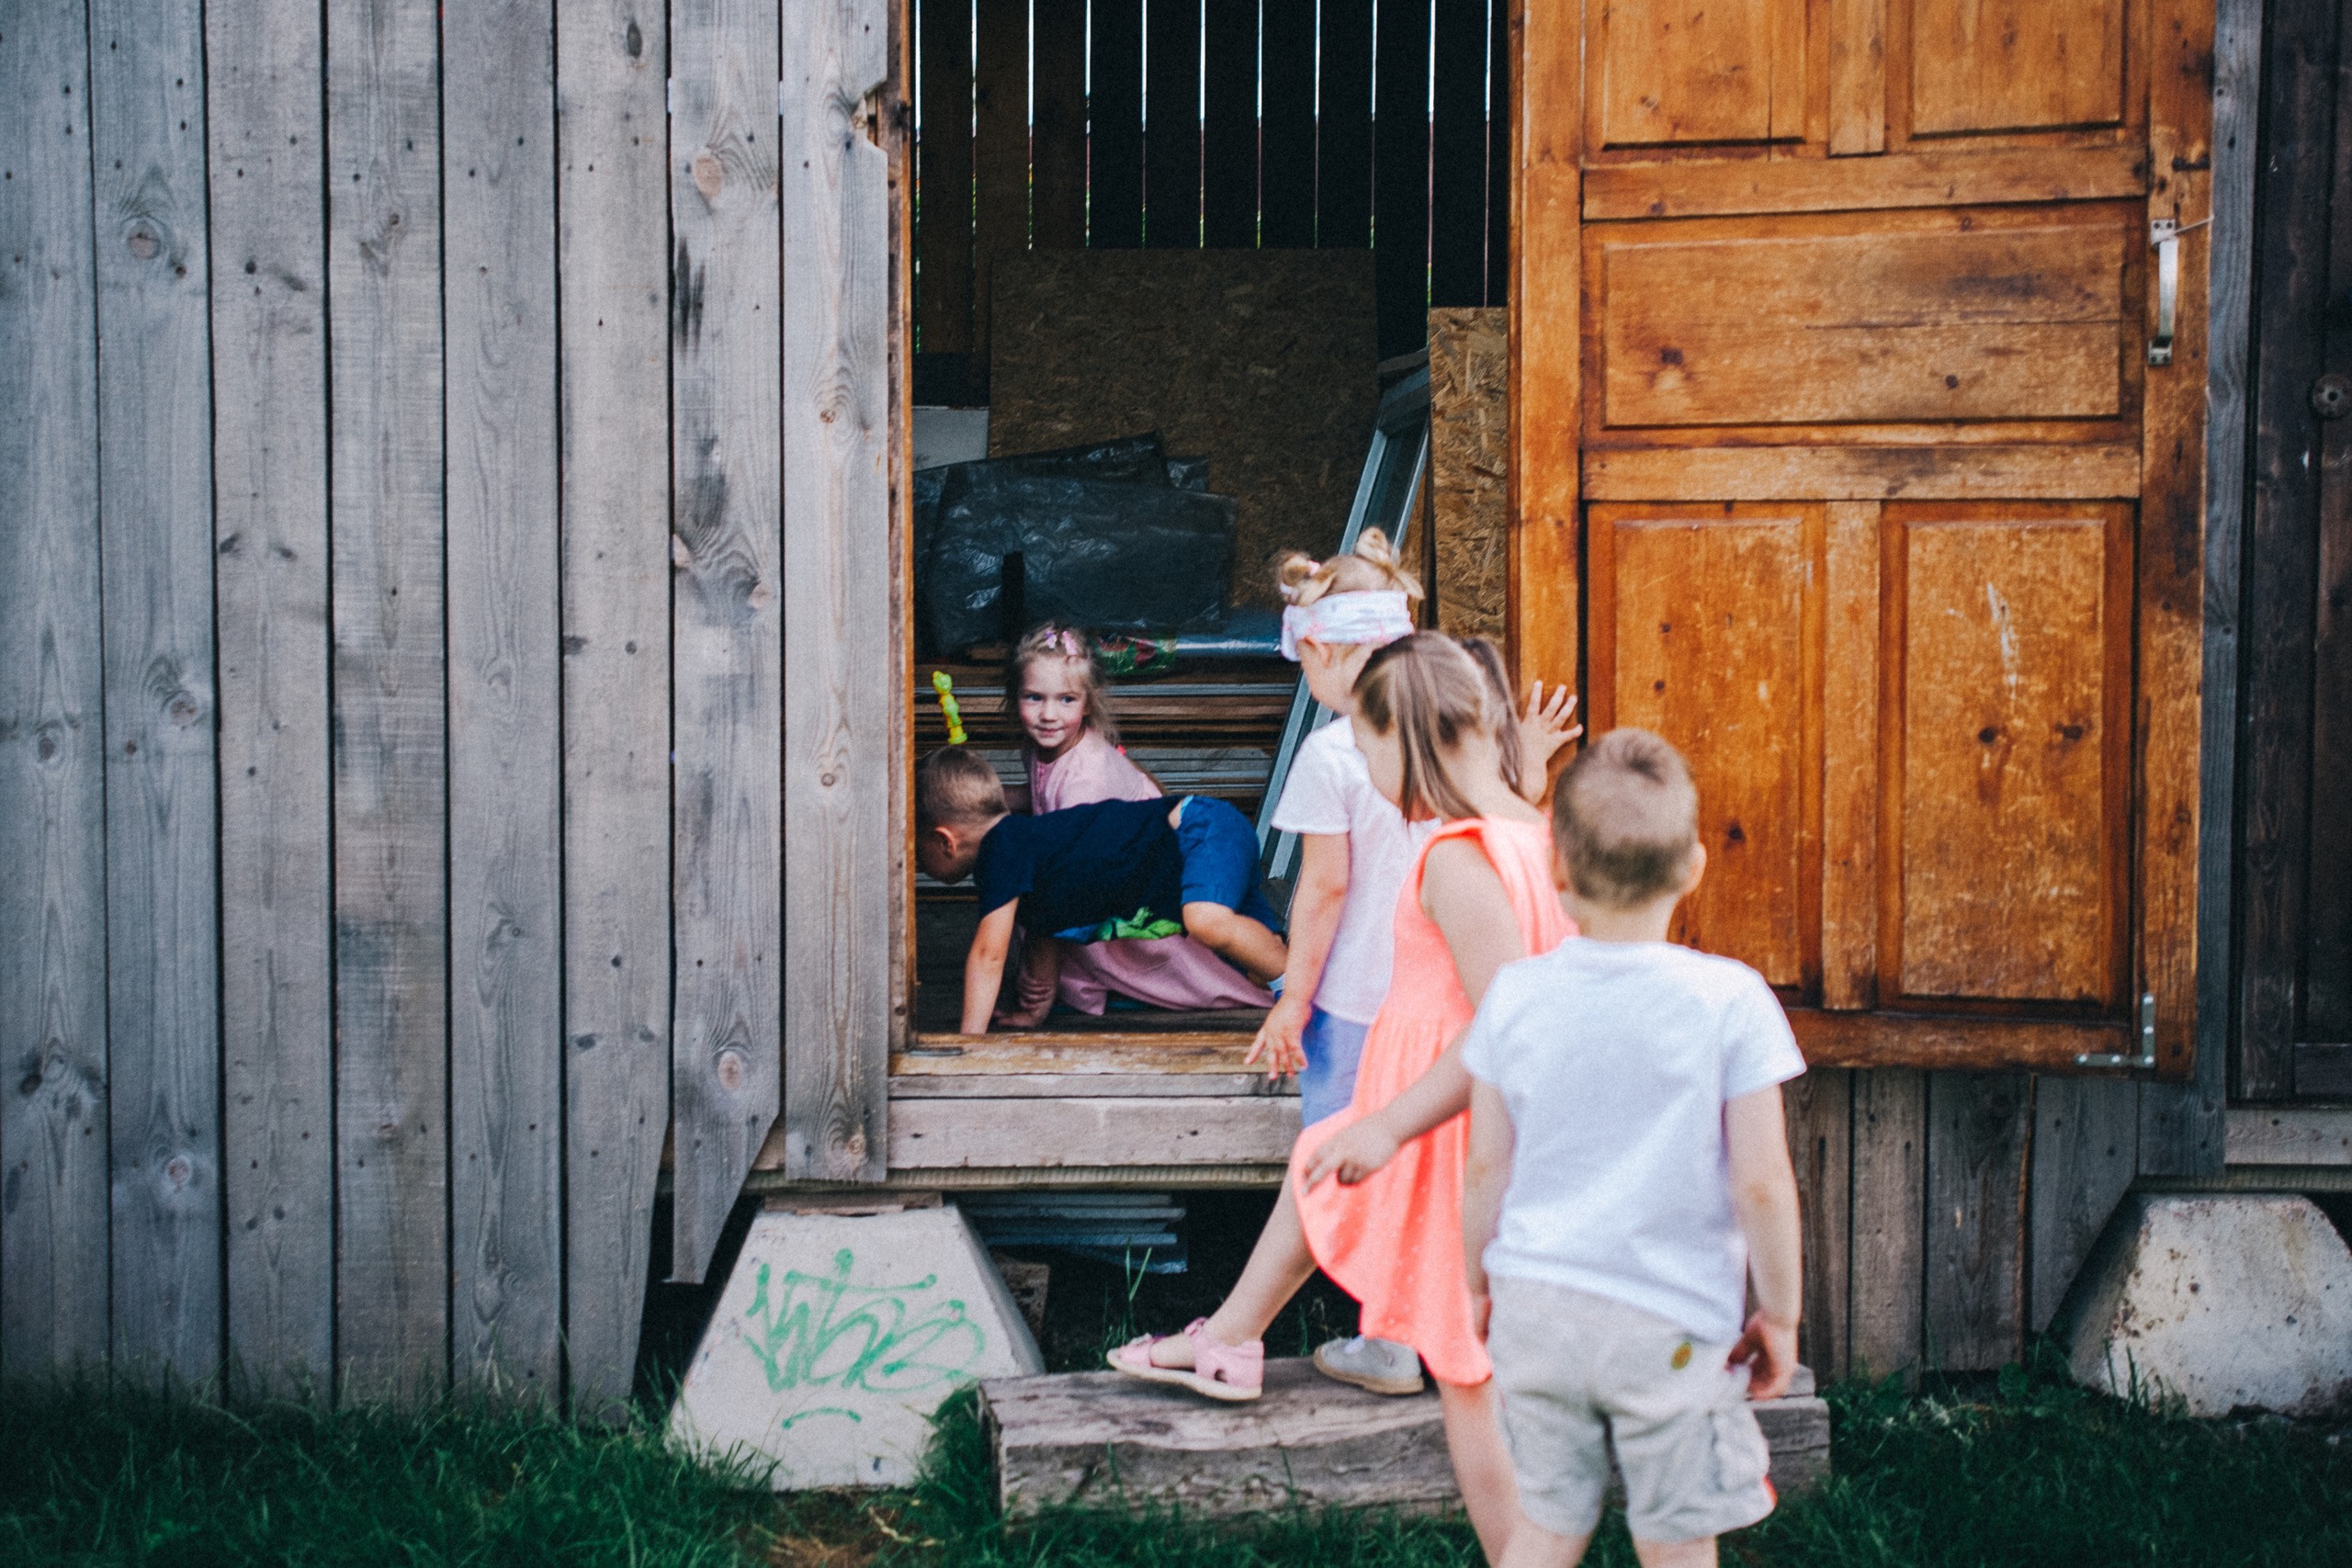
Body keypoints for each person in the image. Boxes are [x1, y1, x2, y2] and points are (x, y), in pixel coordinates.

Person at [1108, 632, 1570, 1565]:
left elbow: (1506, 1023)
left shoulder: (1459, 856)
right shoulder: (1530, 830)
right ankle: (1229, 1337)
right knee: (1322, 1173)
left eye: (1366, 753)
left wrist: (1394, 1122)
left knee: (1470, 1379)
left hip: (1447, 1135)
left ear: (1405, 738)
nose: (1366, 775)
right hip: (1434, 1118)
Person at [1460, 728, 1805, 1568]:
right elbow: (1763, 1183)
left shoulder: (1515, 996)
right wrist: (1781, 1313)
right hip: (1669, 1322)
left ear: (1558, 872)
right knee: (1676, 1538)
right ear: (1693, 867)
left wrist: (1477, 1283)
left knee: (1547, 1524)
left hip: (1535, 1307)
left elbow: (1486, 1165)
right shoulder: (1732, 1000)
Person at [1250, 536, 1579, 1398]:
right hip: (1444, 1014)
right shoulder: (1469, 748)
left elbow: (1324, 889)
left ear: (1321, 650)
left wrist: (1293, 997)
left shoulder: (1337, 752)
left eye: (1302, 659)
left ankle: (1386, 1333)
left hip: (1375, 1006)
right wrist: (1529, 763)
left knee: (1348, 1166)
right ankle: (1434, 1328)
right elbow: (1507, 826)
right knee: (1426, 1169)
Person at [915, 746, 1287, 1034]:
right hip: (1208, 836)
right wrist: (1034, 1010)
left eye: (916, 853)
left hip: (1196, 830)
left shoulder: (1001, 850)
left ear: (945, 841)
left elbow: (988, 956)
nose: (915, 865)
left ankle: (1304, 998)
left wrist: (968, 1043)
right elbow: (1044, 932)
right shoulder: (1027, 856)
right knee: (1260, 965)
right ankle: (1309, 980)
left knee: (1207, 921)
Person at [1004, 621, 1271, 1016]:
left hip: (1161, 871)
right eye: (1033, 697)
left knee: (1191, 962)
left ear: (1088, 703)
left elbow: (1058, 894)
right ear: (1015, 697)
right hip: (1130, 861)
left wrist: (1038, 991)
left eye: (1066, 700)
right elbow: (1043, 793)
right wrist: (992, 801)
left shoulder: (1086, 781)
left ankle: (1277, 980)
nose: (1048, 714)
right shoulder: (1043, 748)